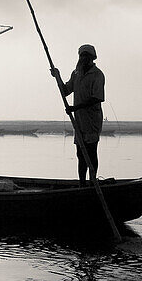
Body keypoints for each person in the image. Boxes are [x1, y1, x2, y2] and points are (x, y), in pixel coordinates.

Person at [51, 44, 104, 184]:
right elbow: (65, 91)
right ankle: (82, 183)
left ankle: (93, 181)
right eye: (82, 55)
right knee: (80, 153)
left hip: (92, 120)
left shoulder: (97, 75)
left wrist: (75, 108)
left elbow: (97, 98)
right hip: (79, 121)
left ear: (92, 58)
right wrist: (58, 76)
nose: (84, 58)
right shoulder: (76, 74)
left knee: (91, 153)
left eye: (87, 55)